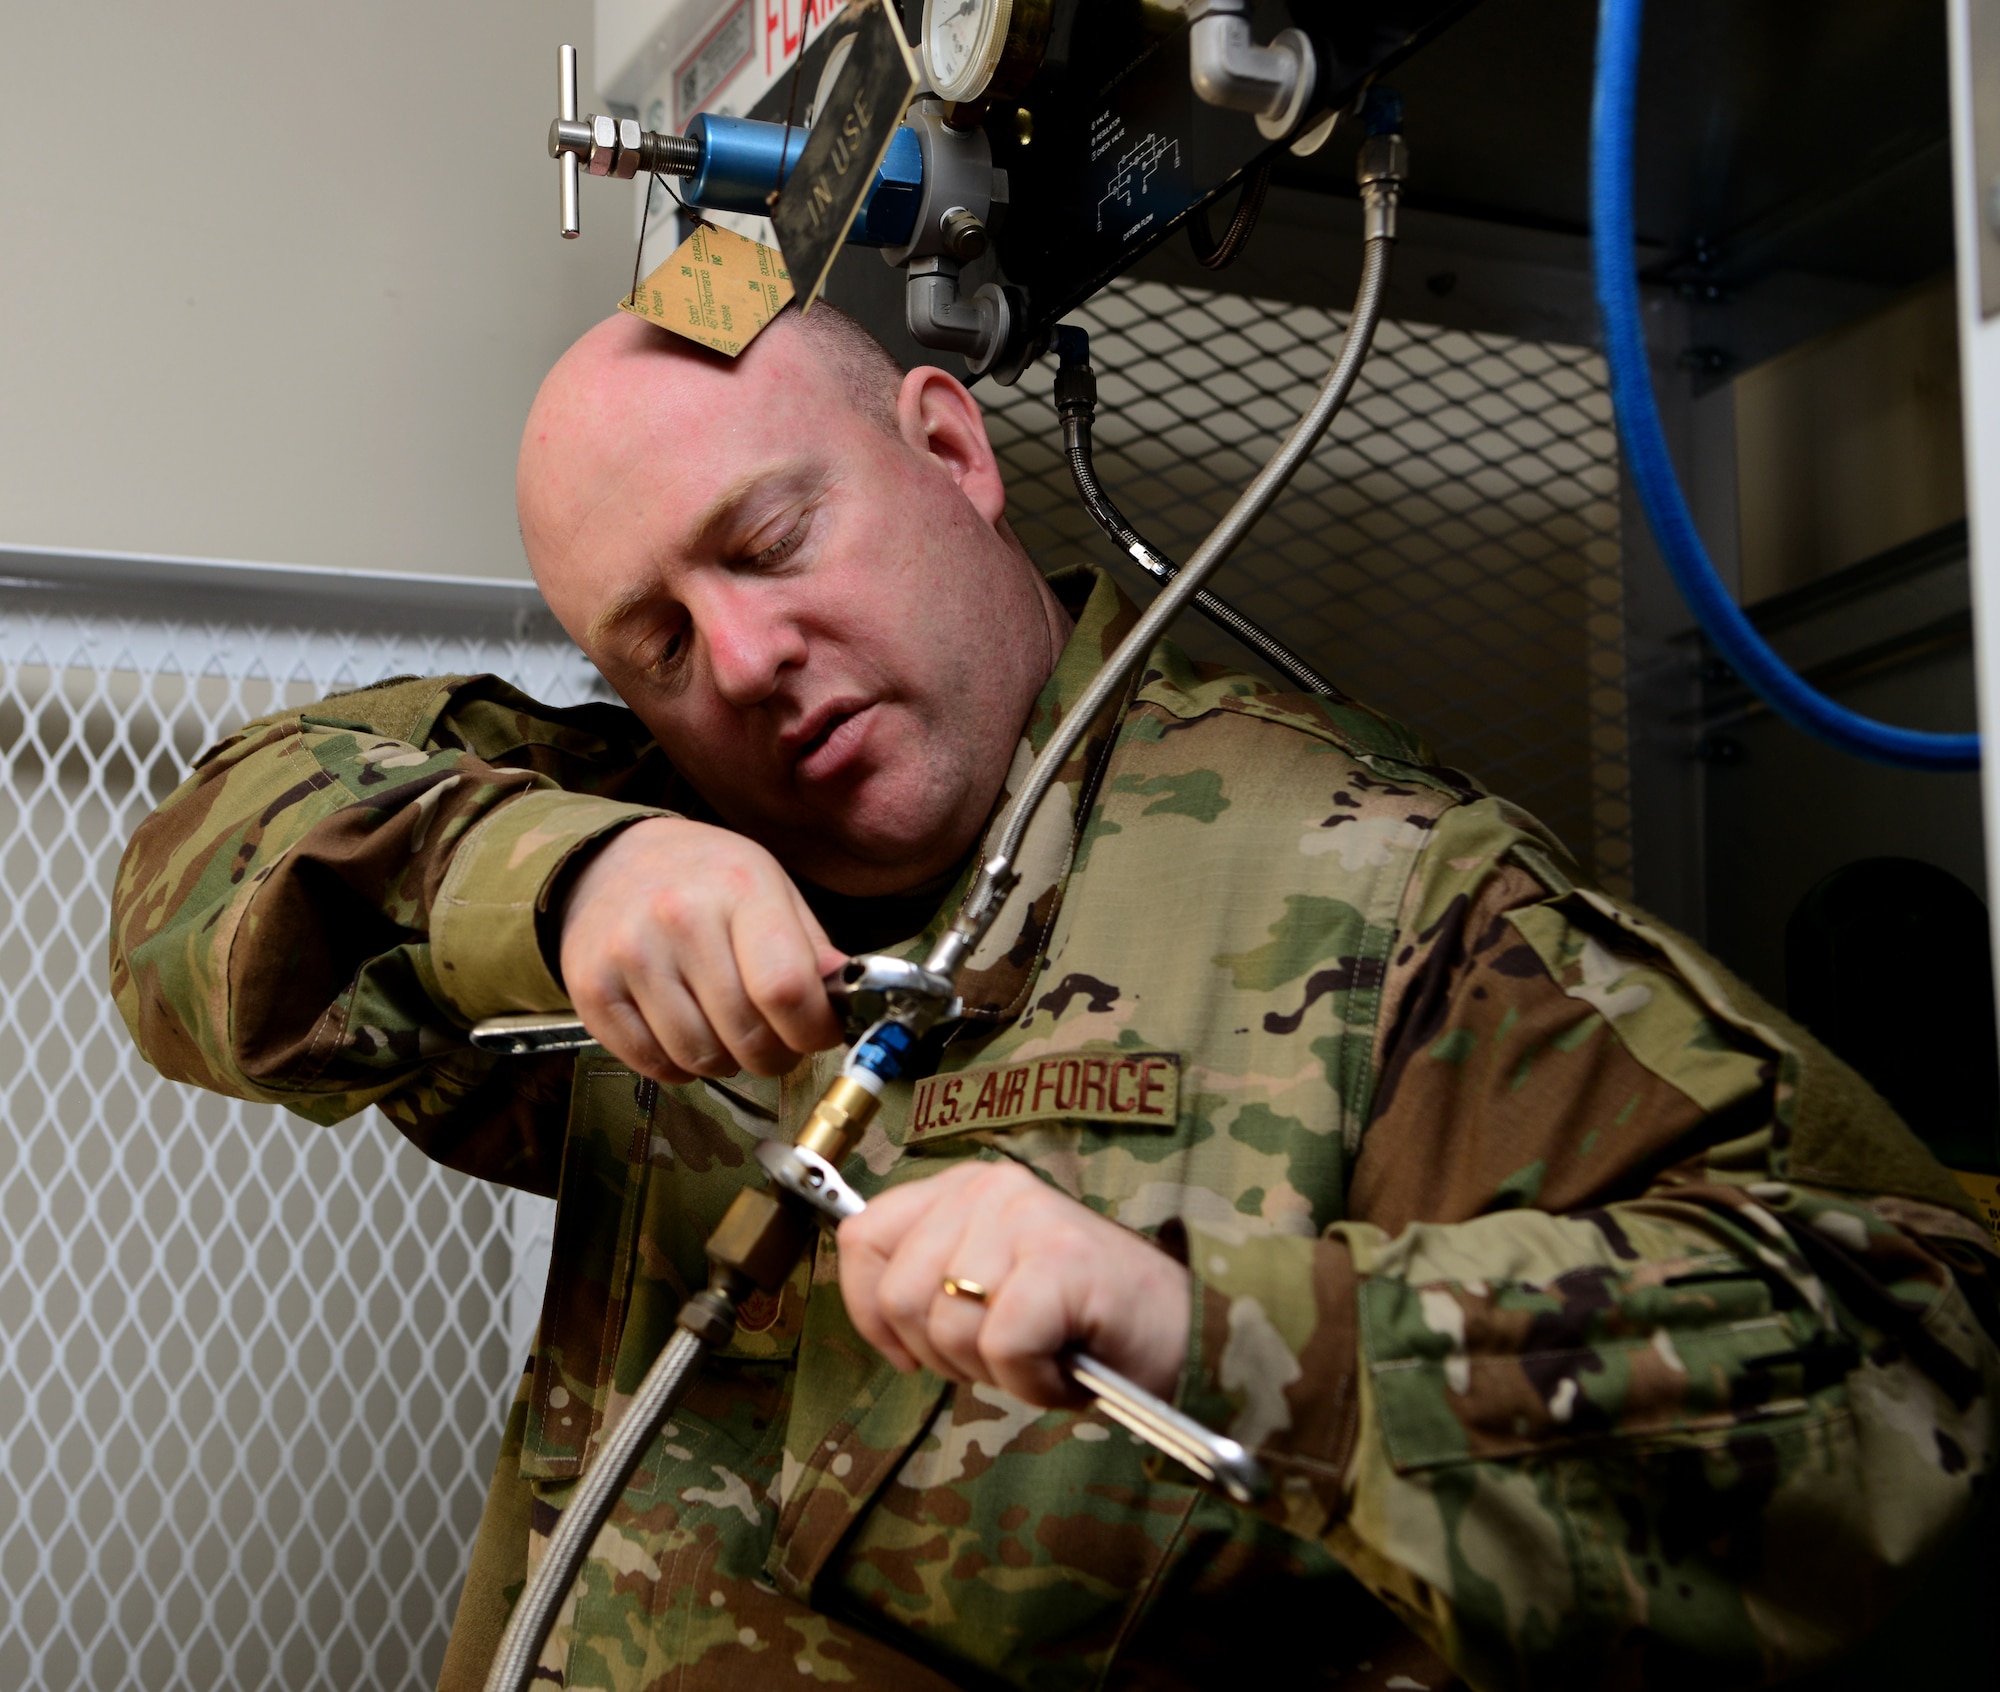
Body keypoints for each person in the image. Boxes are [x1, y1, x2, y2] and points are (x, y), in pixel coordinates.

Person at [110, 303, 1997, 1692]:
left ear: (950, 450)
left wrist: (1220, 1332)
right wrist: (558, 873)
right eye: (656, 639)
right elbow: (193, 892)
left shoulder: (1363, 890)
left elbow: (1922, 1349)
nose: (747, 661)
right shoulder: (653, 847)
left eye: (772, 543)